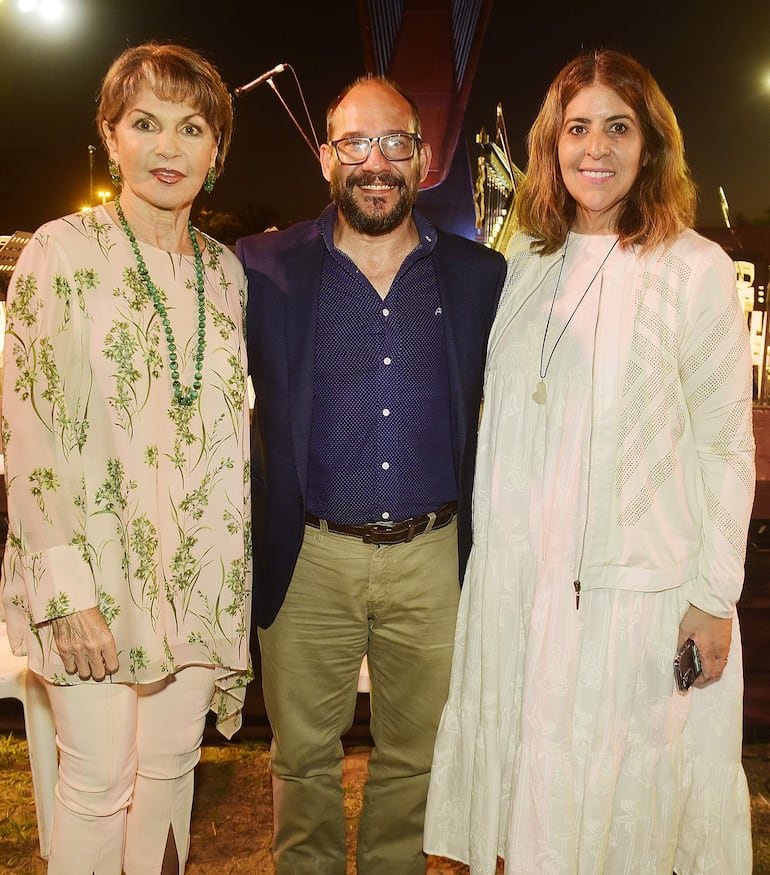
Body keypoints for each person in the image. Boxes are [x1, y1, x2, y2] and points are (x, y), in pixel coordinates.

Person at [423, 49, 755, 874]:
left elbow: (724, 441)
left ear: (651, 146)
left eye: (618, 126)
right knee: (538, 818)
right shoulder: (528, 265)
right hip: (524, 595)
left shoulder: (692, 268)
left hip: (633, 600)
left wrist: (713, 599)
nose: (596, 147)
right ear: (552, 143)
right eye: (577, 128)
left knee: (623, 823)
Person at [236, 75, 506, 874]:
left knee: (416, 760)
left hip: (433, 556)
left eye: (395, 143)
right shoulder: (261, 267)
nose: (376, 161)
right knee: (302, 761)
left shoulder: (478, 276)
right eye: (357, 143)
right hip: (309, 554)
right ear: (327, 157)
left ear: (423, 160)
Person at [1, 42, 251, 873]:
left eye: (192, 127)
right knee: (98, 784)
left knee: (170, 774)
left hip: (196, 575)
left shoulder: (226, 275)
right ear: (111, 136)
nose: (169, 148)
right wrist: (64, 589)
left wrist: (227, 583)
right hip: (96, 578)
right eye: (146, 123)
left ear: (217, 151)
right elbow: (30, 432)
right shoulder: (59, 253)